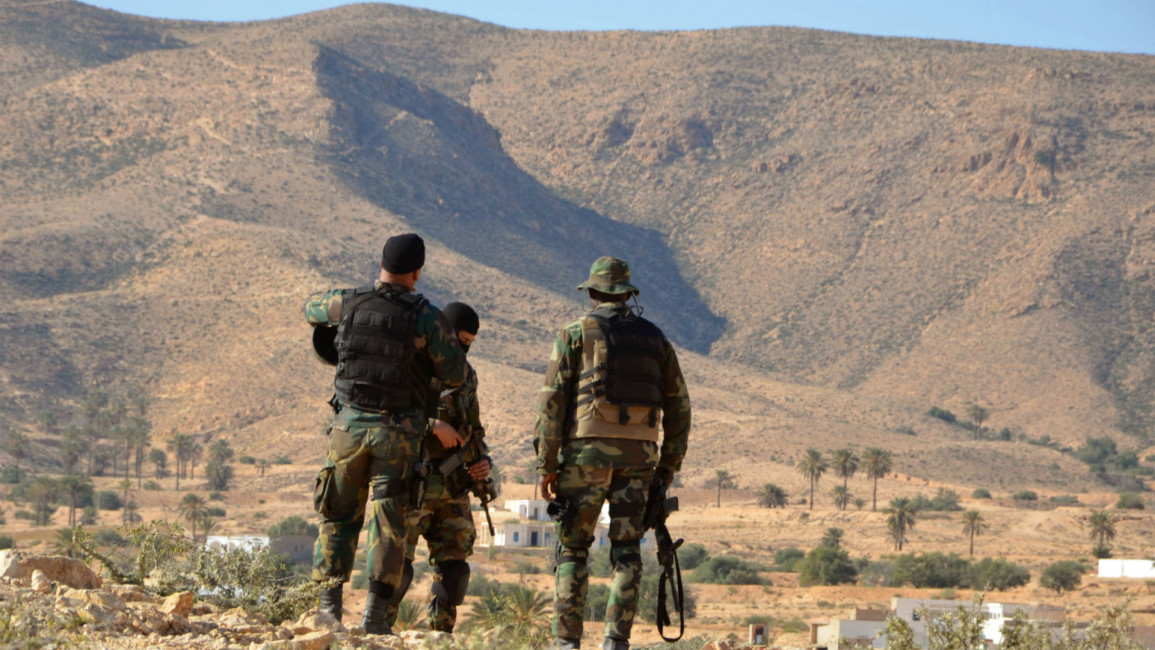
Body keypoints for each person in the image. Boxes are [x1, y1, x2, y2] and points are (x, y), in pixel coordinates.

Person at [305, 233, 466, 635]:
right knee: (388, 522)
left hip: (347, 429)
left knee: (337, 517)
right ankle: (374, 620)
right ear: (417, 272)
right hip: (397, 433)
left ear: (381, 264)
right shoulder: (426, 316)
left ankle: (327, 612)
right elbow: (455, 373)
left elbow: (312, 310)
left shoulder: (348, 301)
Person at [534, 256, 692, 650]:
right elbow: (680, 409)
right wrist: (667, 466)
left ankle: (567, 642)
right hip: (639, 463)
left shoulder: (574, 333)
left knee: (572, 549)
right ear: (627, 294)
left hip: (584, 460)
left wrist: (546, 465)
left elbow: (551, 403)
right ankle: (614, 642)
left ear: (592, 293)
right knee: (627, 552)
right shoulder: (656, 340)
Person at [385, 301, 492, 632]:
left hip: (452, 485)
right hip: (412, 480)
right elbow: (387, 412)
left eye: (471, 343)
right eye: (461, 340)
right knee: (396, 566)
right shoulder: (413, 362)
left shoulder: (465, 376)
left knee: (455, 570)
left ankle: (439, 637)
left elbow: (473, 428)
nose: (465, 348)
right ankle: (380, 631)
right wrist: (432, 425)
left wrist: (482, 462)